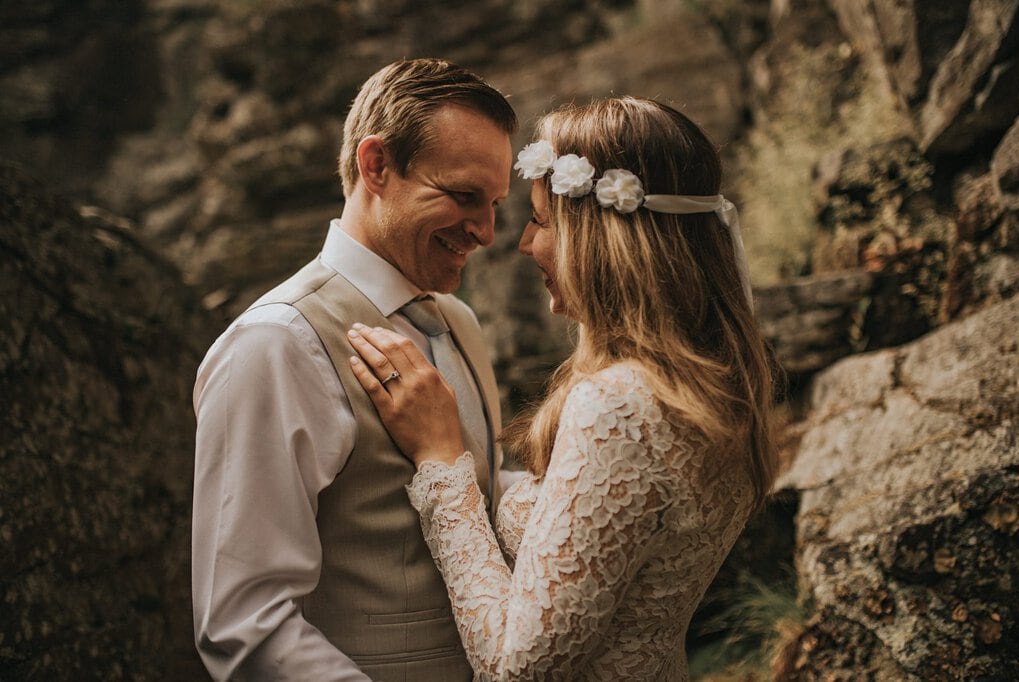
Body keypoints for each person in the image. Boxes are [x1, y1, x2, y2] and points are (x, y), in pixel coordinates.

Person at [347, 96, 778, 680]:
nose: (524, 243)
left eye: (542, 221)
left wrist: (443, 462)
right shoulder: (710, 385)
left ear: (603, 237)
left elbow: (513, 668)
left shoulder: (620, 405)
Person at [191, 58, 517, 681]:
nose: (486, 232)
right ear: (376, 166)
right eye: (464, 196)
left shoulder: (460, 324)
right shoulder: (275, 344)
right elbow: (243, 622)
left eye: (496, 203)